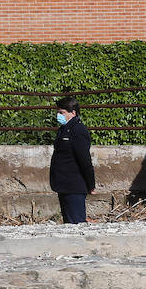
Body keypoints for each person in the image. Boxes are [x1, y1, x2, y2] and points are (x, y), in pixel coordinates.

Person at [49, 95, 95, 225]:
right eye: (58, 112)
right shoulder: (64, 130)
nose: (59, 115)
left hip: (74, 185)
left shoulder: (78, 130)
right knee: (68, 225)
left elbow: (85, 160)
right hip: (64, 184)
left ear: (73, 113)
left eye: (62, 113)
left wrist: (91, 184)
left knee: (77, 224)